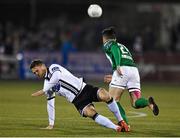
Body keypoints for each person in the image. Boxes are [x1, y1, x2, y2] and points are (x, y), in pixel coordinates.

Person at [30, 59, 129, 132]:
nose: (36, 74)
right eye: (34, 73)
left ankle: (121, 121)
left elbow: (57, 77)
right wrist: (51, 124)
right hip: (78, 101)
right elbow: (50, 104)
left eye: (36, 71)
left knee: (105, 95)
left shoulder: (53, 67)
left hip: (84, 88)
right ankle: (116, 128)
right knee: (91, 113)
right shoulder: (46, 85)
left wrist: (43, 90)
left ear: (42, 66)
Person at [101, 26, 159, 127]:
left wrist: (118, 66)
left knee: (112, 99)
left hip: (122, 71)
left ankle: (125, 124)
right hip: (134, 71)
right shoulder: (123, 46)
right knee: (135, 102)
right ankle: (149, 104)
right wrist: (115, 76)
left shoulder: (108, 44)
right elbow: (126, 61)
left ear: (104, 38)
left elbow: (115, 50)